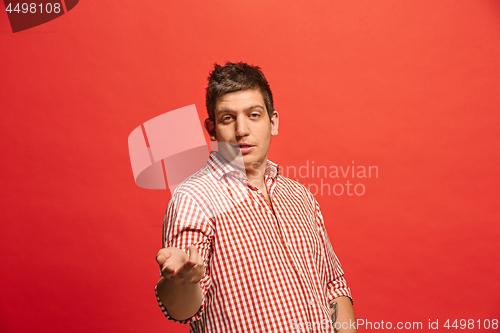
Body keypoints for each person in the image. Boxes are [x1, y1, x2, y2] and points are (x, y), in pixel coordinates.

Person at [155, 62, 356, 332]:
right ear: (212, 128)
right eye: (228, 118)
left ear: (272, 122)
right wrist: (182, 282)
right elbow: (183, 311)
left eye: (253, 115)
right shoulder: (194, 198)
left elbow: (333, 286)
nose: (241, 130)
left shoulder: (298, 195)